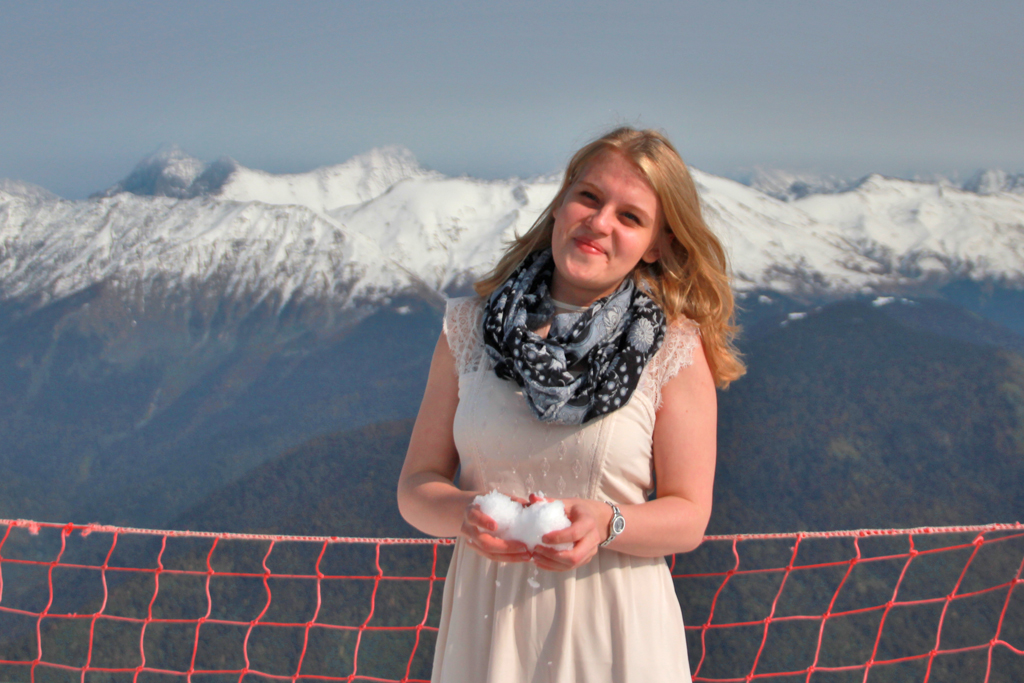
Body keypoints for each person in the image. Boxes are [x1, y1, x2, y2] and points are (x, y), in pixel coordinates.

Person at [397, 127, 744, 683]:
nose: (600, 222)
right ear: (560, 203)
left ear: (655, 245)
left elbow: (689, 517)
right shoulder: (467, 329)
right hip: (485, 630)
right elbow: (416, 486)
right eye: (589, 197)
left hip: (614, 635)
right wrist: (463, 514)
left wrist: (608, 522)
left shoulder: (673, 348)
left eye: (630, 217)